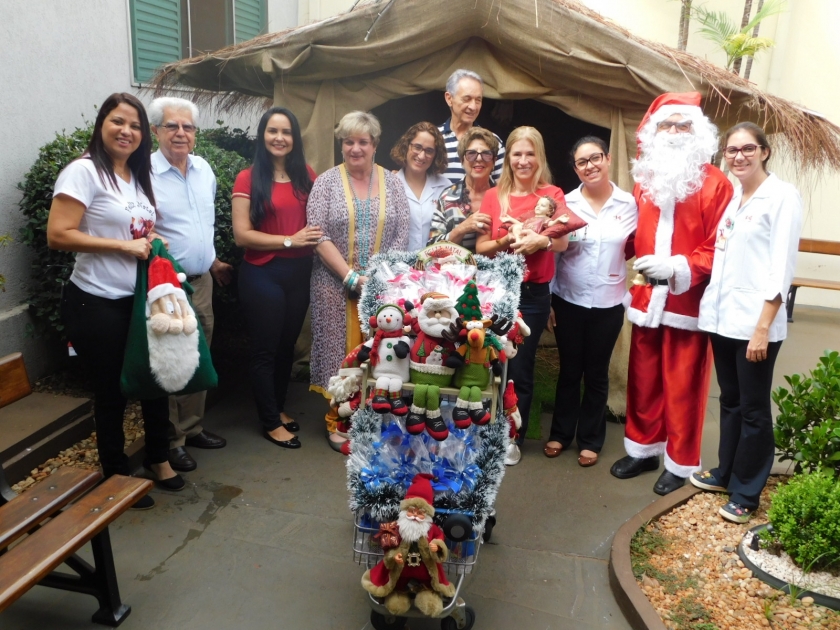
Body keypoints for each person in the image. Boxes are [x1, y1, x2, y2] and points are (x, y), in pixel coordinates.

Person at [49, 93, 182, 510]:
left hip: (140, 299)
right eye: (118, 121)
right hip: (97, 301)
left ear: (144, 135)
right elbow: (59, 234)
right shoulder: (83, 172)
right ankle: (116, 472)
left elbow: (141, 230)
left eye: (136, 125)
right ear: (102, 124)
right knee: (112, 390)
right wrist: (122, 247)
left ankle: (159, 458)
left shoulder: (136, 177)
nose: (127, 131)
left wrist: (153, 241)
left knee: (157, 378)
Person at [609, 92, 733, 495]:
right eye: (668, 125)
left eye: (684, 125)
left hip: (687, 301)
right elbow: (630, 235)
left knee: (683, 385)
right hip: (646, 299)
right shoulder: (646, 180)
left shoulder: (717, 185)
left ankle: (679, 462)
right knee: (643, 379)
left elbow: (721, 245)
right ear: (654, 131)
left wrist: (680, 268)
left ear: (698, 132)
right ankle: (643, 448)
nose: (676, 132)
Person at [691, 123, 802, 523]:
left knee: (754, 409)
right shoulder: (735, 197)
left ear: (765, 152)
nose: (739, 156)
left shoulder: (782, 197)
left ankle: (747, 492)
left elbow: (780, 268)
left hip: (756, 324)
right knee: (731, 401)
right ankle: (726, 472)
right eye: (732, 150)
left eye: (747, 149)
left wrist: (763, 328)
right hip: (723, 319)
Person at [307, 111, 410, 452]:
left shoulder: (393, 182)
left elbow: (401, 232)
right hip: (332, 284)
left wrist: (376, 277)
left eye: (362, 142)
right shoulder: (325, 182)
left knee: (379, 352)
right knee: (340, 351)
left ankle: (374, 418)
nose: (355, 148)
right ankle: (338, 420)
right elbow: (317, 233)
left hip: (380, 286)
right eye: (348, 141)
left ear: (375, 145)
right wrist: (350, 275)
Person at [476, 126, 570, 461]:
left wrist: (540, 240)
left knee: (521, 366)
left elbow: (563, 240)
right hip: (498, 290)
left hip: (533, 293)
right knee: (488, 363)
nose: (523, 160)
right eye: (517, 154)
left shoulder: (553, 194)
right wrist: (508, 240)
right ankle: (484, 429)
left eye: (530, 154)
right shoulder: (493, 195)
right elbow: (482, 248)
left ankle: (513, 435)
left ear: (539, 157)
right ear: (509, 158)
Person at [148, 97, 231, 473]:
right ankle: (172, 440)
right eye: (172, 126)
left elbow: (201, 225)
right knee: (170, 360)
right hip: (167, 287)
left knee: (199, 356)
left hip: (202, 283)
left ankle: (193, 428)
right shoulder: (144, 175)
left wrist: (211, 260)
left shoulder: (204, 170)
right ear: (155, 131)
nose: (181, 133)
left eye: (188, 127)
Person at [544, 136, 638, 467]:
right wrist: (549, 300)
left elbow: (640, 247)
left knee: (597, 373)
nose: (590, 166)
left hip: (609, 303)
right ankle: (560, 432)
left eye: (595, 158)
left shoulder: (629, 204)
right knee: (570, 369)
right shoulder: (565, 204)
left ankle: (591, 439)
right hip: (568, 299)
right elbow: (553, 255)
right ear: (575, 169)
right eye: (582, 162)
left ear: (608, 159)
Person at [232, 107, 321, 449]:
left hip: (299, 272)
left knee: (287, 345)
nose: (279, 138)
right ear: (263, 135)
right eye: (272, 131)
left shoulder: (306, 175)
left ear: (294, 139)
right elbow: (242, 235)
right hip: (262, 272)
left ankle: (277, 407)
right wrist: (289, 240)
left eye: (286, 132)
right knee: (265, 349)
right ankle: (269, 421)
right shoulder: (247, 177)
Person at [427, 127, 498, 252]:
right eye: (471, 154)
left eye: (486, 154)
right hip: (456, 270)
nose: (479, 158)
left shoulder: (505, 196)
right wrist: (462, 229)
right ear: (461, 160)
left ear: (494, 160)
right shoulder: (447, 197)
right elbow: (432, 248)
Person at [438, 69, 505, 185]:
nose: (473, 107)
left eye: (478, 100)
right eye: (467, 99)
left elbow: (502, 189)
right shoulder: (433, 138)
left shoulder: (493, 142)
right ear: (449, 99)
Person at [390, 122, 449, 251]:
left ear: (435, 155)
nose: (421, 156)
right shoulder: (388, 184)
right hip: (398, 266)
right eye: (417, 147)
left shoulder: (445, 187)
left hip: (435, 266)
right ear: (406, 146)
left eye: (429, 151)